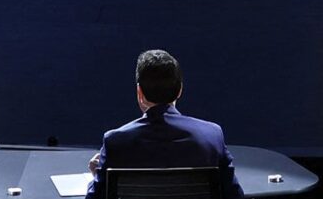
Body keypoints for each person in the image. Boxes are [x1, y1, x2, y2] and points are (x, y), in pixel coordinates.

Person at [92, 48, 232, 181]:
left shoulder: (115, 142)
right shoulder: (212, 136)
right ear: (180, 90)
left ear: (139, 92)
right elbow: (233, 198)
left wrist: (97, 175)